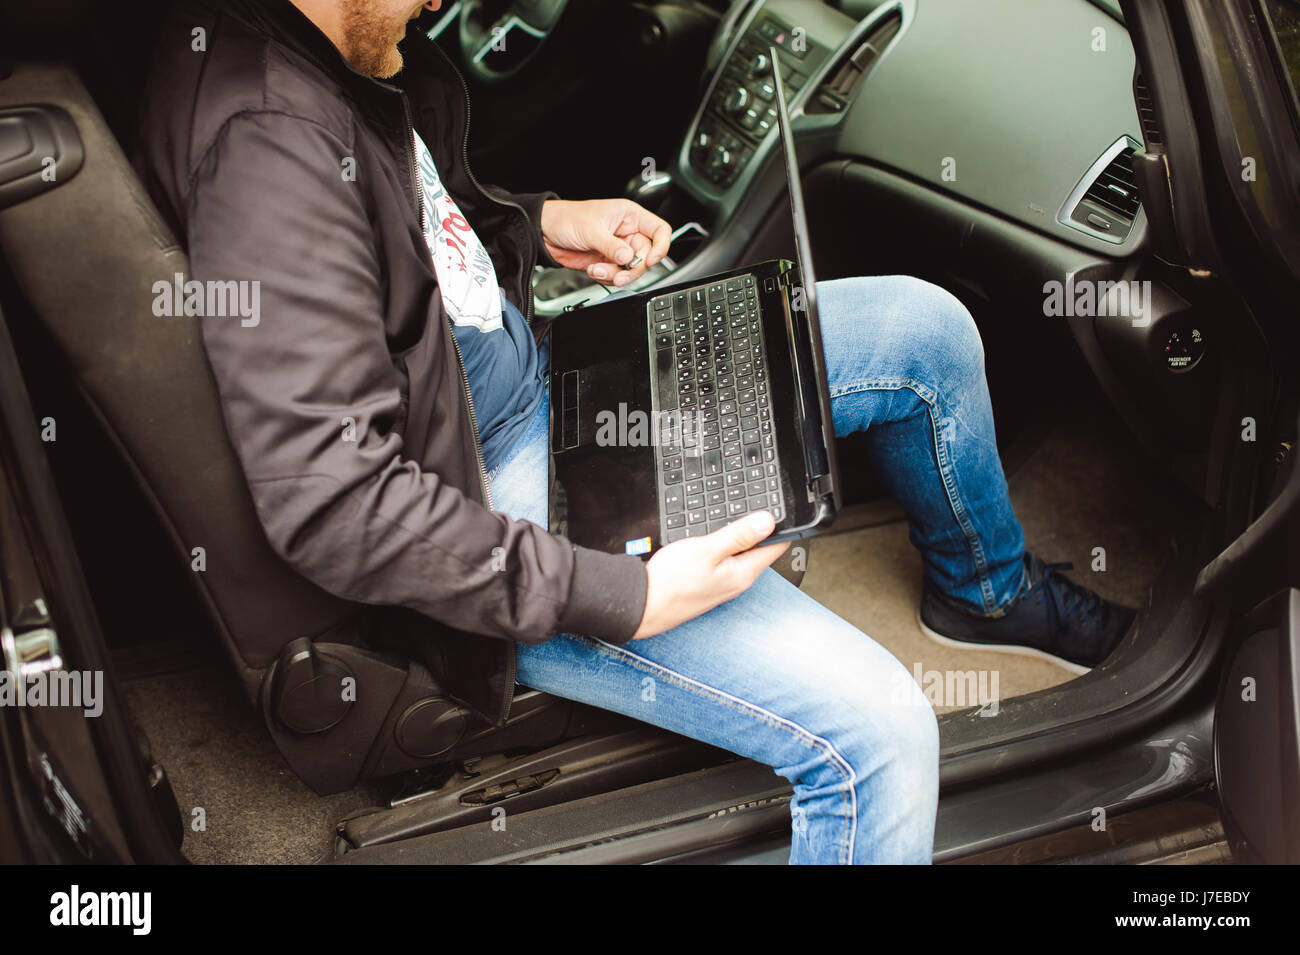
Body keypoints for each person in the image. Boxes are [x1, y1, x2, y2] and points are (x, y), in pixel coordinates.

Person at [136, 0, 1133, 864]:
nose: (442, 5)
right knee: (878, 736)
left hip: (550, 384)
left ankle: (985, 596)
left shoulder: (327, 54)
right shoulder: (269, 145)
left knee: (923, 330)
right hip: (487, 496)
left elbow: (401, 243)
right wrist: (624, 592)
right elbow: (336, 498)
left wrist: (542, 221)